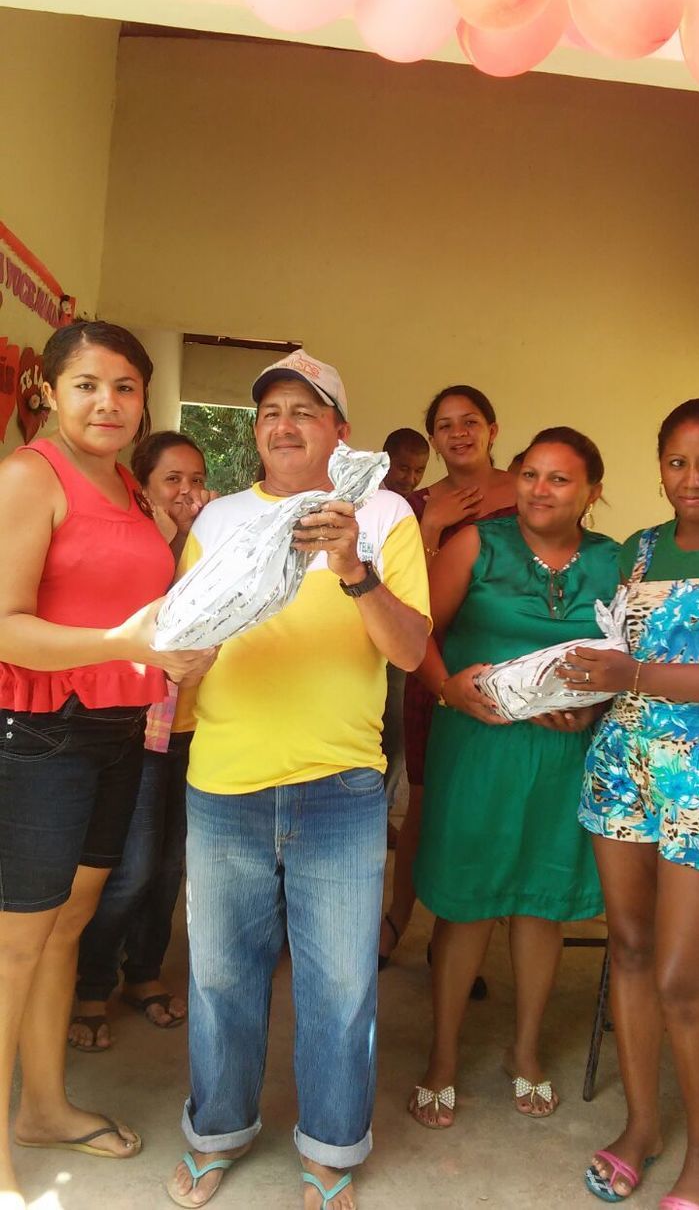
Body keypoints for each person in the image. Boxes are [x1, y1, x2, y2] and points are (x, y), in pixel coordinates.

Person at [166, 349, 430, 1210]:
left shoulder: (384, 513)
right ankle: (216, 1133)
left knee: (342, 983)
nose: (284, 424)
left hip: (340, 787)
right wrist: (178, 669)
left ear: (339, 433)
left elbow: (411, 650)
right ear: (257, 430)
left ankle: (330, 1149)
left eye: (305, 411)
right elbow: (183, 651)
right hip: (228, 781)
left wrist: (354, 568)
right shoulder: (217, 519)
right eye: (272, 411)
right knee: (219, 975)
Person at [0, 321, 215, 1210]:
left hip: (120, 727)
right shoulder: (26, 477)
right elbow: (5, 623)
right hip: (41, 730)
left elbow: (143, 616)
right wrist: (117, 642)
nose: (108, 403)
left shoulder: (129, 486)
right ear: (48, 390)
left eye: (125, 388)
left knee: (67, 925)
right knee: (15, 944)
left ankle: (44, 1107)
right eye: (88, 384)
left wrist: (171, 653)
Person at [408, 427, 620, 1128]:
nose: (539, 489)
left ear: (592, 491)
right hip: (479, 744)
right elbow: (416, 636)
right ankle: (442, 1056)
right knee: (467, 901)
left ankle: (524, 1051)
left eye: (559, 479)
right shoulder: (479, 543)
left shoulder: (613, 563)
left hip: (563, 757)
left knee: (540, 900)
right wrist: (446, 690)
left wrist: (593, 713)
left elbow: (629, 660)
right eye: (530, 474)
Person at [570, 400, 699, 1207]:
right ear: (659, 466)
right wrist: (570, 688)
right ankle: (643, 1126)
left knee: (684, 975)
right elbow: (615, 651)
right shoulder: (639, 549)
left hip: (697, 778)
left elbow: (638, 670)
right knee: (628, 944)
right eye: (679, 461)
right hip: (621, 764)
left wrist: (634, 679)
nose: (692, 479)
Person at [69, 431, 214, 1051]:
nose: (187, 492)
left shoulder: (217, 545)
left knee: (170, 866)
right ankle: (90, 985)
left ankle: (145, 975)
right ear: (144, 488)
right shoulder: (135, 547)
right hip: (143, 727)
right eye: (171, 481)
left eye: (195, 479)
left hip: (201, 732)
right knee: (129, 869)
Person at [378, 385, 516, 969]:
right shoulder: (413, 504)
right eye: (444, 425)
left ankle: (456, 943)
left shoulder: (527, 489)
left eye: (470, 421)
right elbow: (397, 596)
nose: (458, 433)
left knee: (487, 805)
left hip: (509, 664)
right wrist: (430, 528)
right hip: (431, 661)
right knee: (426, 803)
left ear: (492, 429)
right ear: (432, 438)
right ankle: (396, 920)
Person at [380, 428, 430, 835]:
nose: (409, 478)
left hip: (402, 631)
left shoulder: (421, 506)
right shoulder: (366, 502)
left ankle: (381, 810)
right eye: (402, 467)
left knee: (395, 730)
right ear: (385, 460)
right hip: (359, 630)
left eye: (418, 470)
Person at [382, 428, 430, 499]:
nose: (410, 480)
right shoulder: (364, 500)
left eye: (418, 471)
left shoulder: (422, 504)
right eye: (403, 469)